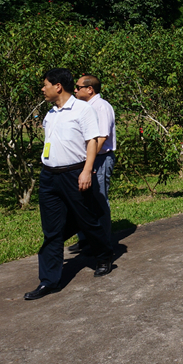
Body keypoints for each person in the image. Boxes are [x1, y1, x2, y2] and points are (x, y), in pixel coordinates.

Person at [25, 68, 114, 301]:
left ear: (58, 86)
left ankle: (104, 256)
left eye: (45, 84)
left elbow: (92, 142)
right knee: (51, 230)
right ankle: (49, 281)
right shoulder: (51, 114)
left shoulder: (83, 110)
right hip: (50, 176)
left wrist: (86, 171)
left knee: (89, 220)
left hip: (75, 173)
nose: (42, 89)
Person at [71, 74, 116, 251]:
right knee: (83, 200)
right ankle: (85, 239)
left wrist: (87, 162)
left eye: (78, 87)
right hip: (89, 160)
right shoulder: (85, 107)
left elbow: (102, 137)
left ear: (90, 89)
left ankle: (101, 243)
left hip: (100, 158)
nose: (74, 90)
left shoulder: (101, 107)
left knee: (99, 200)